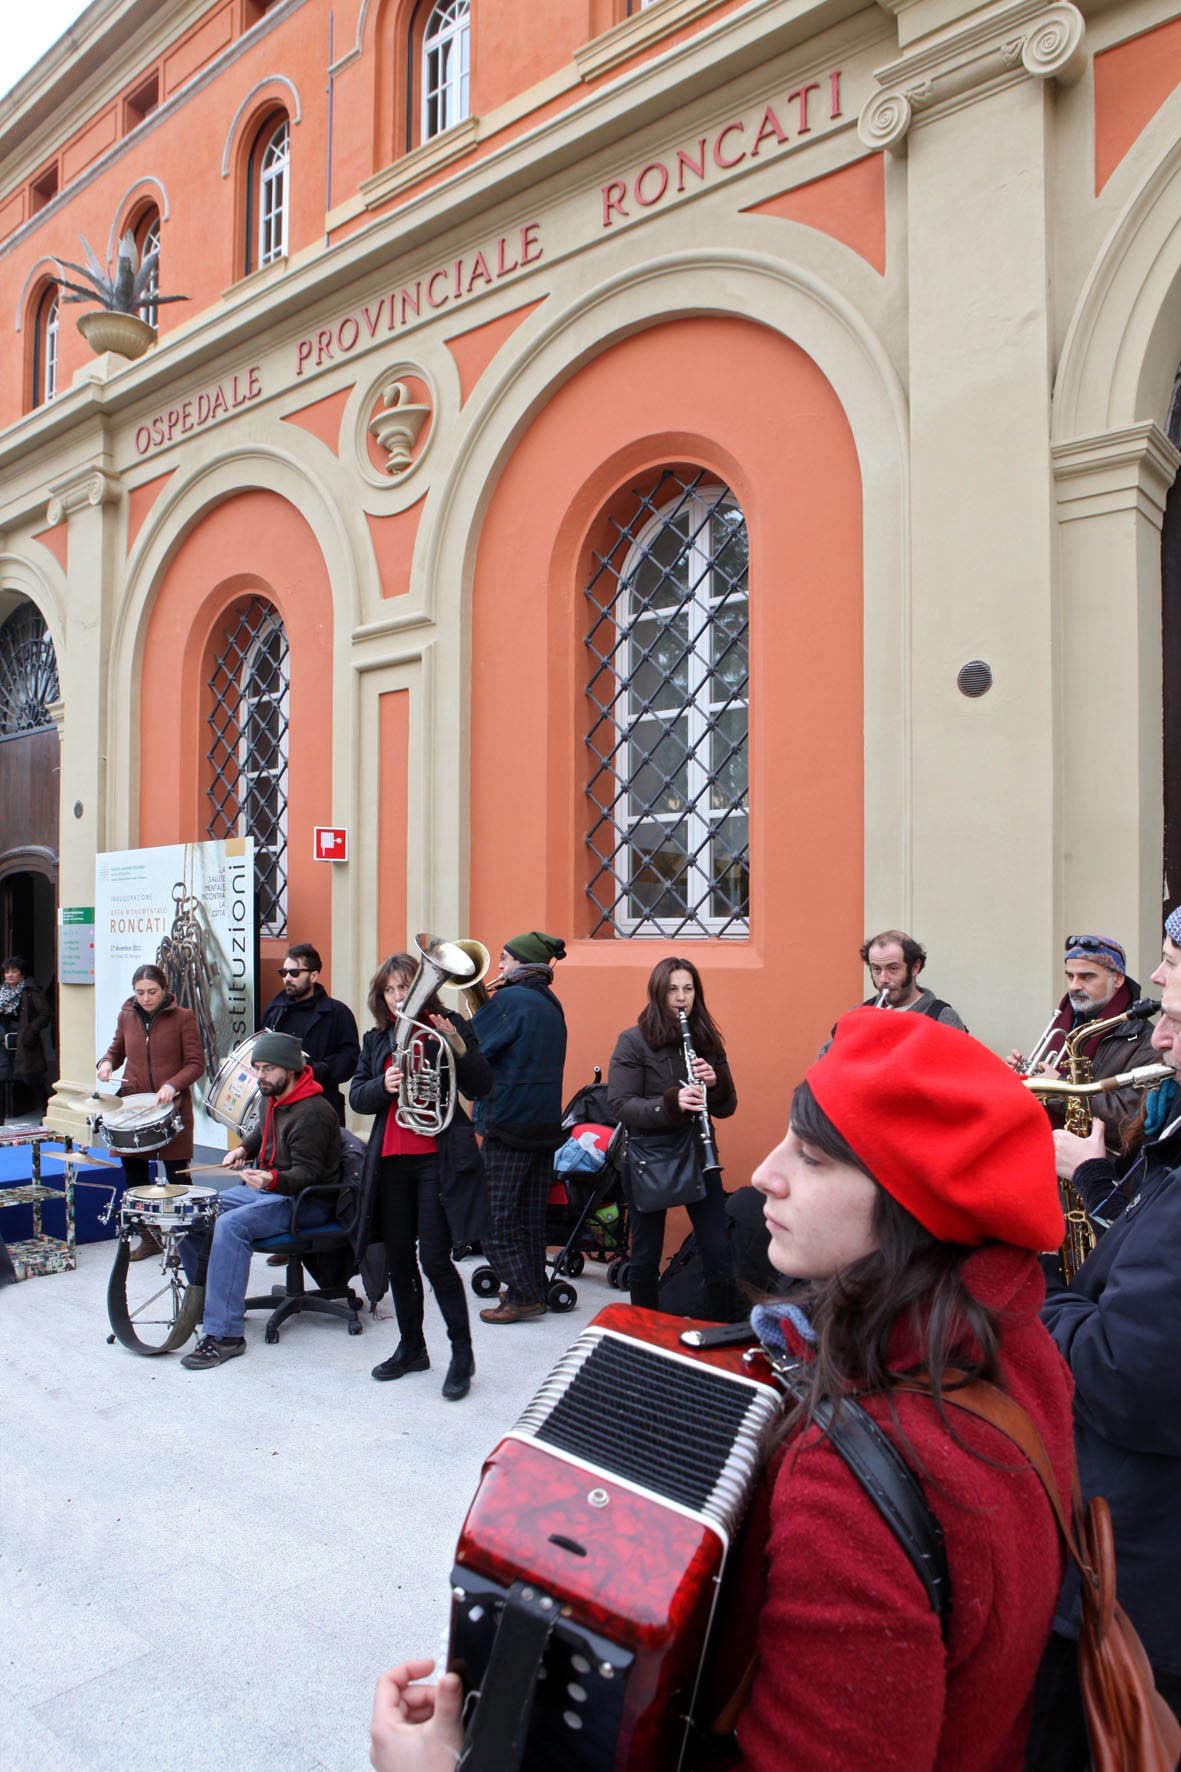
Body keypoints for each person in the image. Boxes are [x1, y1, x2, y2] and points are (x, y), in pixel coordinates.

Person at [368, 1011, 1075, 1772]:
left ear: (913, 1204)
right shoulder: (1018, 1348)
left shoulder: (848, 1492)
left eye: (811, 1158)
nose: (767, 1173)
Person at [1030, 919, 1181, 1753]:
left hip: (1141, 1586)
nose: (1157, 1033)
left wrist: (1048, 1289)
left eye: (1173, 1012)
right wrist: (1090, 1176)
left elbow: (1125, 1376)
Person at [349, 953, 492, 1401]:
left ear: (422, 989)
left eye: (405, 988)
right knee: (398, 1259)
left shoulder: (447, 1024)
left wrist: (458, 1046)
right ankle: (412, 1347)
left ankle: (462, 1356)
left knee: (433, 1257)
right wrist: (383, 1085)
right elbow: (356, 1095)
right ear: (381, 995)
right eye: (390, 990)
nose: (397, 997)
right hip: (391, 1159)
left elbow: (481, 1086)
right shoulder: (377, 1038)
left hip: (435, 1156)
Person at [178, 1030, 341, 1370]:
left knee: (230, 1226)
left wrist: (271, 1178)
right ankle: (209, 1305)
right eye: (257, 1068)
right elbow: (258, 1132)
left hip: (303, 1201)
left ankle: (225, 1335)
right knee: (193, 1214)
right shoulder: (273, 1096)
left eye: (268, 1069)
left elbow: (306, 1175)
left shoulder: (312, 1111)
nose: (260, 1076)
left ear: (291, 1069)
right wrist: (242, 1149)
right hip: (270, 1190)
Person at [607, 956, 737, 1317]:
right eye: (672, 989)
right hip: (652, 1158)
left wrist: (716, 1083)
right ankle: (645, 1334)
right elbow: (619, 1105)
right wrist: (672, 1102)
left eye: (688, 988)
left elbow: (728, 1107)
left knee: (717, 1249)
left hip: (699, 1155)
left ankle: (719, 1327)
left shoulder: (706, 1040)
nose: (681, 997)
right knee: (646, 1255)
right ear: (658, 993)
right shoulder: (633, 1041)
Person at [469, 930, 567, 1326]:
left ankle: (522, 1292)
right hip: (544, 1126)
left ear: (522, 964)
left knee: (491, 1215)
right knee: (528, 1217)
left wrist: (456, 1024)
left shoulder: (508, 1001)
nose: (499, 967)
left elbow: (474, 1048)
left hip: (508, 1122)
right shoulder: (551, 1003)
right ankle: (533, 1289)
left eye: (504, 959)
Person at [97, 963, 205, 1261]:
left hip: (172, 1109)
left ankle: (187, 1243)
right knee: (135, 1178)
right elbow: (116, 1050)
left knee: (178, 1178)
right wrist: (106, 1063)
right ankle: (149, 1237)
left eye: (152, 992)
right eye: (140, 992)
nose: (145, 998)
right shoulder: (126, 1015)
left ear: (164, 989)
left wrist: (172, 1084)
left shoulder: (183, 1018)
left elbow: (196, 1064)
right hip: (134, 1107)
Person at [1006, 933, 1156, 1137]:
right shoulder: (1064, 1019)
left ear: (1118, 979)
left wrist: (1059, 1087)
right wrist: (1026, 1073)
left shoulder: (1147, 1039)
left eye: (1087, 976)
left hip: (1102, 1159)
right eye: (1070, 976)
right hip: (1047, 1144)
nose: (1074, 986)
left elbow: (1130, 1116)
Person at [259, 942, 359, 1124]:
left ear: (314, 976)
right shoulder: (275, 1010)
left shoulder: (337, 1013)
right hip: (278, 1107)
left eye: (294, 973)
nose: (287, 978)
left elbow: (350, 1059)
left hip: (320, 1106)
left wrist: (317, 1070)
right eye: (283, 972)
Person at [859, 929, 967, 1027]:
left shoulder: (942, 1018)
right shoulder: (859, 1015)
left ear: (915, 967)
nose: (883, 979)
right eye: (876, 969)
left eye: (892, 968)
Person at [0, 954, 51, 1121]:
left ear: (21, 973)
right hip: (3, 1042)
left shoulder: (30, 991)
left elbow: (45, 1014)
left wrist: (31, 1031)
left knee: (31, 1077)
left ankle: (46, 1110)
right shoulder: (2, 992)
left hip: (24, 1042)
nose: (10, 975)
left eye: (14, 971)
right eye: (7, 972)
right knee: (2, 1078)